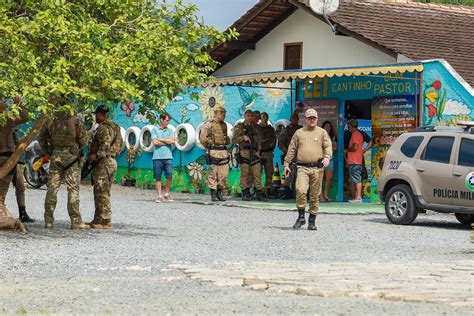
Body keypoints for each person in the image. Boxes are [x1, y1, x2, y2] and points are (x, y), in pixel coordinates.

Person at [40, 106, 89, 229]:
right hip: (71, 157)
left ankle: (48, 221)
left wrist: (49, 151)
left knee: (52, 189)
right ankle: (75, 221)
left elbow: (41, 138)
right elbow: (84, 140)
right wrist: (76, 147)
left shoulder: (51, 120)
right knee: (73, 189)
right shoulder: (76, 120)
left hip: (55, 156)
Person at [284, 109, 332, 230]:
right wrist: (286, 164)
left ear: (317, 119)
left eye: (314, 118)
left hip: (317, 168)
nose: (312, 120)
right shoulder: (299, 133)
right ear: (305, 119)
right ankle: (301, 217)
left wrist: (327, 157)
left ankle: (312, 220)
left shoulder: (322, 132)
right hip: (302, 168)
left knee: (315, 195)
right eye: (309, 118)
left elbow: (328, 146)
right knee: (300, 190)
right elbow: (292, 149)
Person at [87, 105, 123, 229]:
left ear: (102, 114)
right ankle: (98, 219)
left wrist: (95, 156)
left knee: (102, 192)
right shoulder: (116, 128)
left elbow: (105, 146)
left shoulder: (103, 128)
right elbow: (119, 145)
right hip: (112, 161)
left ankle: (106, 220)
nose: (95, 116)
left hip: (103, 162)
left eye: (96, 114)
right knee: (100, 191)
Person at [0, 98, 29, 231]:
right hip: (8, 158)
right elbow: (24, 116)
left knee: (19, 185)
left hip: (10, 157)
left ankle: (21, 212)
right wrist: (20, 103)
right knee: (2, 191)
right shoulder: (6, 117)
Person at [233, 110, 266, 201]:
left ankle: (258, 191)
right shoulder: (240, 126)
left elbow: (259, 140)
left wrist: (259, 151)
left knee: (257, 172)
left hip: (254, 152)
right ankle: (245, 191)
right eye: (248, 115)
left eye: (251, 116)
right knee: (245, 173)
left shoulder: (256, 127)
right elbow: (234, 139)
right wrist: (243, 137)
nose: (250, 117)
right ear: (245, 116)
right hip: (244, 152)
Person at [199, 107, 230, 202]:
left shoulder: (224, 125)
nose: (224, 116)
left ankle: (219, 192)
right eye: (223, 114)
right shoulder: (208, 124)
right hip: (213, 151)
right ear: (217, 114)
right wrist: (209, 146)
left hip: (223, 151)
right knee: (213, 173)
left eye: (225, 114)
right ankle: (213, 193)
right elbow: (202, 138)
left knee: (223, 174)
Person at [151, 112, 175, 203]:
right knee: (158, 177)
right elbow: (155, 143)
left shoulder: (170, 130)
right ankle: (159, 196)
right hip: (157, 157)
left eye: (168, 121)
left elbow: (172, 141)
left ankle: (167, 193)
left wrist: (160, 139)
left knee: (169, 176)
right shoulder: (154, 129)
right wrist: (167, 142)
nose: (167, 122)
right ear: (161, 119)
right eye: (166, 120)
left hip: (168, 156)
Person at [277, 111, 302, 198]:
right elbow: (280, 143)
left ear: (298, 120)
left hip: (300, 156)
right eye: (292, 119)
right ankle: (286, 193)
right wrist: (287, 151)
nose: (294, 120)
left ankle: (300, 194)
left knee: (301, 176)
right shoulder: (286, 130)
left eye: (295, 119)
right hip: (289, 157)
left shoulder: (301, 130)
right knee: (287, 176)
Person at [346, 119, 364, 203]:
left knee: (356, 179)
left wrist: (347, 150)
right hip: (356, 160)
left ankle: (358, 197)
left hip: (355, 161)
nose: (348, 127)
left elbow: (355, 147)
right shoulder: (358, 134)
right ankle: (357, 197)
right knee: (355, 178)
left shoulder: (355, 134)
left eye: (348, 125)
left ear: (351, 126)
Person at [259, 112, 276, 197]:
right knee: (258, 172)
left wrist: (268, 143)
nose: (265, 117)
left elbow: (274, 140)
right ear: (260, 118)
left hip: (268, 152)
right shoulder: (258, 128)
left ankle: (268, 190)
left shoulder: (271, 129)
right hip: (260, 153)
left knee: (269, 172)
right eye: (263, 116)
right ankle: (258, 190)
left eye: (266, 116)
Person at [320, 121, 337, 202]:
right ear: (323, 127)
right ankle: (320, 196)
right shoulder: (320, 136)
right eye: (326, 126)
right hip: (320, 159)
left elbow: (335, 148)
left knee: (329, 178)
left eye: (329, 126)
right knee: (319, 178)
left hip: (330, 159)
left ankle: (326, 195)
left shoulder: (332, 137)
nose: (328, 128)